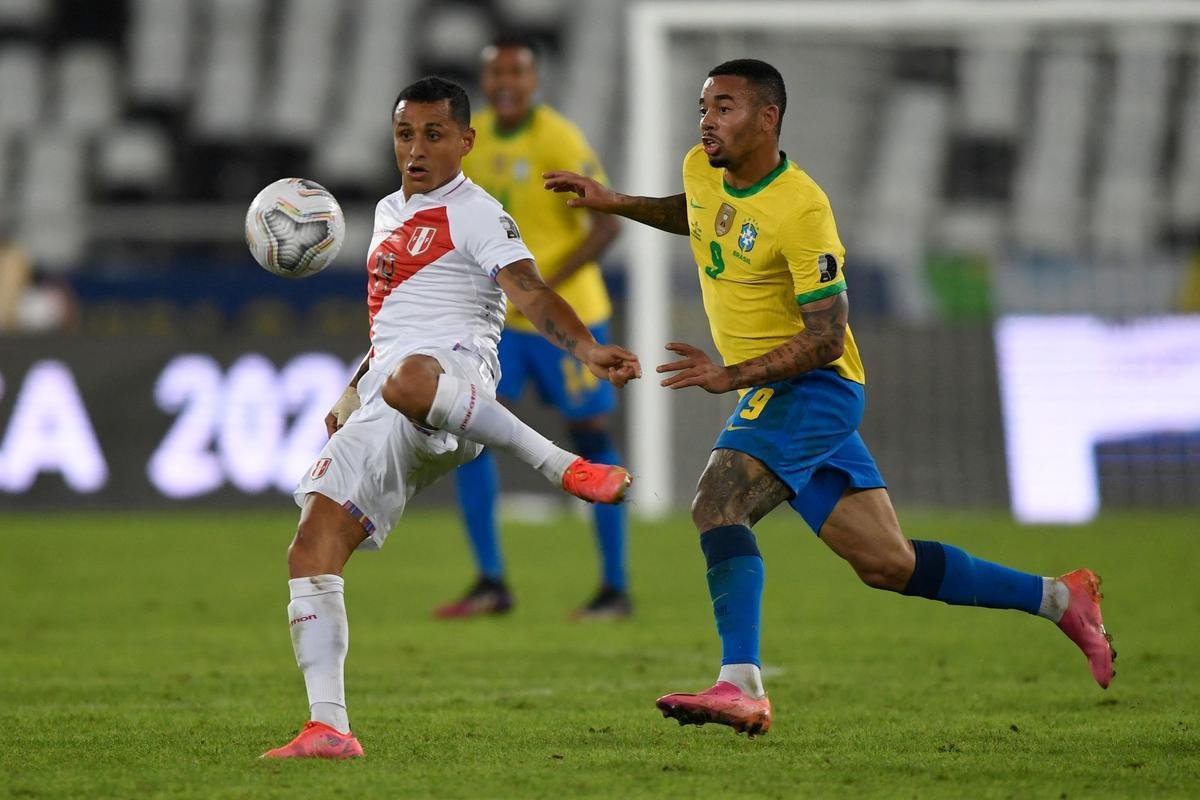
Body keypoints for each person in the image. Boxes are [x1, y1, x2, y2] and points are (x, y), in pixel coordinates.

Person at [544, 59, 1115, 737]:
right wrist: (617, 203)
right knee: (887, 563)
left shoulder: (804, 209)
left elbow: (826, 336)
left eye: (723, 108)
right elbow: (699, 215)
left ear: (767, 118)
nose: (706, 121)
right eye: (703, 107)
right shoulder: (703, 167)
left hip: (812, 387)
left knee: (715, 502)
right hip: (784, 392)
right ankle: (1059, 598)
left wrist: (733, 375)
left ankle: (741, 685)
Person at [262, 76, 641, 759]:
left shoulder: (477, 212)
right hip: (390, 389)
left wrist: (586, 346)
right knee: (312, 544)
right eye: (406, 134)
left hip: (458, 374)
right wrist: (351, 392)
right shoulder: (383, 210)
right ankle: (329, 727)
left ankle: (562, 465)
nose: (416, 148)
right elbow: (394, 325)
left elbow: (530, 289)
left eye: (434, 134)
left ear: (466, 141)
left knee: (414, 380)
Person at [438, 39, 631, 621]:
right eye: (495, 71)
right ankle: (491, 580)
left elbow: (605, 228)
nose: (504, 81)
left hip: (565, 316)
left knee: (589, 435)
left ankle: (614, 588)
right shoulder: (472, 143)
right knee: (468, 435)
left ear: (534, 80)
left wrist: (541, 283)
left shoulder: (559, 138)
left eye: (516, 72)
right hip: (498, 322)